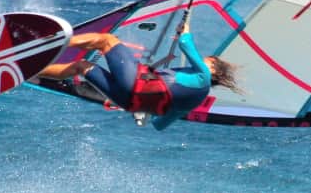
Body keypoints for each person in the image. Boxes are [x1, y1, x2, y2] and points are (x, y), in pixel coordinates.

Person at [40, 24, 238, 131]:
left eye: (207, 61)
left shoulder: (203, 75)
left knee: (106, 40)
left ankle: (52, 44)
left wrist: (184, 31)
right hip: (129, 102)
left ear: (213, 71)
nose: (202, 61)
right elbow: (159, 125)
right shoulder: (192, 103)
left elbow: (186, 45)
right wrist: (149, 106)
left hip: (134, 82)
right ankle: (34, 70)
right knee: (82, 67)